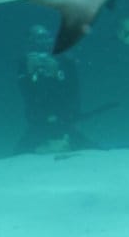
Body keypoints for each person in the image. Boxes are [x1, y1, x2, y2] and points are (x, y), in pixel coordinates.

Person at [15, 24, 94, 154]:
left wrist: (57, 74)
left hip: (64, 119)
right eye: (35, 41)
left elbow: (74, 91)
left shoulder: (66, 60)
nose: (40, 47)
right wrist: (28, 75)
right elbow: (26, 94)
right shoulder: (24, 63)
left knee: (88, 148)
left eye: (44, 39)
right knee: (19, 153)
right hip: (37, 122)